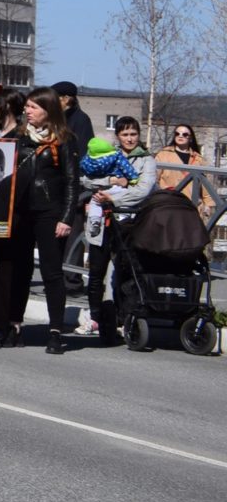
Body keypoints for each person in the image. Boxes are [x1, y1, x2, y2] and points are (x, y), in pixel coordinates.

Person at [0, 88, 84, 353]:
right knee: (19, 270)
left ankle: (55, 331)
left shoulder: (65, 139)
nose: (27, 111)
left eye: (33, 107)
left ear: (48, 110)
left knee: (51, 272)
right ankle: (14, 325)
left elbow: (71, 181)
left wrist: (66, 217)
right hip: (20, 212)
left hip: (49, 213)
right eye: (27, 107)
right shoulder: (18, 137)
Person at [78, 114, 157, 342]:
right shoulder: (106, 155)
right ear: (118, 136)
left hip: (131, 221)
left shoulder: (146, 160)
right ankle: (95, 317)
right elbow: (86, 179)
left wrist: (115, 199)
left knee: (127, 271)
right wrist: (112, 182)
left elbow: (143, 189)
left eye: (133, 134)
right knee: (97, 270)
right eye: (125, 134)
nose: (130, 139)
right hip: (100, 220)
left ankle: (126, 318)